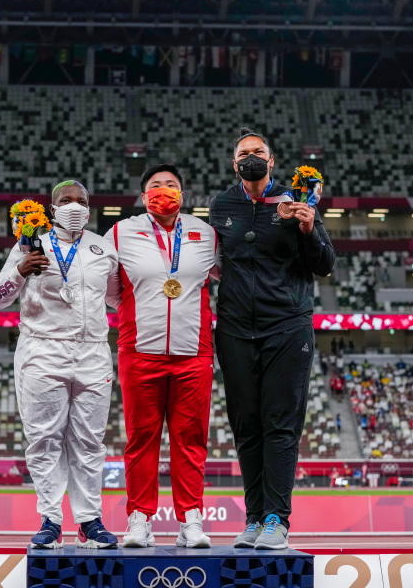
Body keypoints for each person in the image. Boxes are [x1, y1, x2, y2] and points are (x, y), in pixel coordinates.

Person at [209, 127, 334, 549]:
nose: (251, 158)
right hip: (234, 330)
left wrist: (310, 228)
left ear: (272, 160)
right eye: (244, 153)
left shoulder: (296, 201)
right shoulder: (221, 206)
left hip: (287, 328)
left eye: (258, 152)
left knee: (280, 427)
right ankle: (254, 518)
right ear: (233, 163)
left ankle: (277, 519)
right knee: (247, 428)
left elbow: (324, 265)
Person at [0, 179, 121, 550]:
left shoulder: (103, 247)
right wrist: (19, 271)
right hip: (42, 350)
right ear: (52, 208)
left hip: (93, 351)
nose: (74, 206)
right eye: (66, 200)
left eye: (81, 201)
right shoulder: (30, 243)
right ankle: (50, 519)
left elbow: (116, 299)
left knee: (89, 441)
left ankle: (89, 520)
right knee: (44, 439)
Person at [104, 163, 220, 549]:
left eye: (172, 185)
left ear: (183, 195)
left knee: (191, 439)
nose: (164, 190)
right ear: (143, 196)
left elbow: (227, 275)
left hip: (194, 353)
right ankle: (139, 519)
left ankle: (191, 520)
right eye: (156, 185)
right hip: (139, 351)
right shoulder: (120, 232)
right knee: (141, 439)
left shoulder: (206, 235)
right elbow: (109, 289)